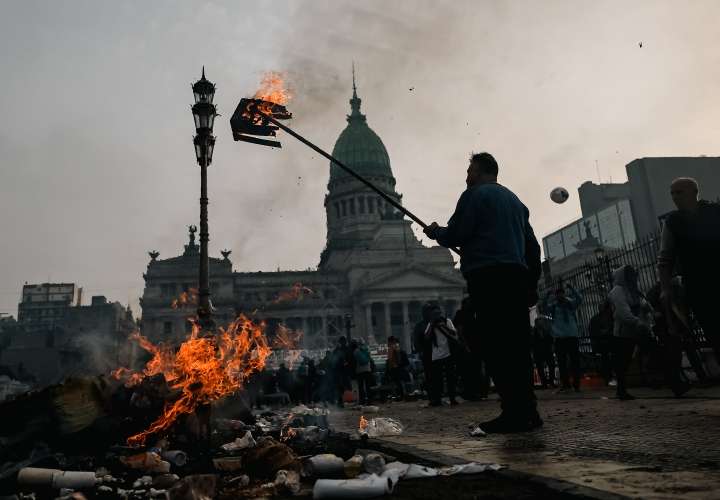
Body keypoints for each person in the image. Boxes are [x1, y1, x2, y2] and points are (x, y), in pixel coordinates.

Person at [424, 152, 542, 433]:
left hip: (488, 279)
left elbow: (457, 234)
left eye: (469, 171)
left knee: (496, 346)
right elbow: (533, 248)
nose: (466, 177)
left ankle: (513, 413)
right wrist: (531, 285)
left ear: (481, 171)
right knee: (518, 347)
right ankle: (529, 411)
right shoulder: (516, 202)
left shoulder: (474, 196)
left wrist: (436, 232)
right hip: (515, 278)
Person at [658, 177, 720, 363]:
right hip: (698, 286)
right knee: (714, 333)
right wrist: (665, 289)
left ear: (694, 192)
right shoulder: (672, 222)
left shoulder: (714, 211)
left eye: (679, 192)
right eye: (672, 193)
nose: (675, 197)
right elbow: (664, 258)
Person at [608, 265, 653, 400]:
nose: (634, 277)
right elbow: (623, 313)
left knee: (651, 351)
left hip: (637, 330)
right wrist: (637, 322)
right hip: (623, 333)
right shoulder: (617, 291)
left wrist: (646, 311)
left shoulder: (633, 290)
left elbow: (644, 304)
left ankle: (673, 382)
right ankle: (621, 390)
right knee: (623, 363)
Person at [545, 284, 583, 392]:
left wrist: (572, 288)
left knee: (575, 362)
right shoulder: (553, 307)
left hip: (571, 336)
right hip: (560, 338)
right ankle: (566, 384)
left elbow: (580, 299)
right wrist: (547, 295)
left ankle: (576, 384)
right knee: (562, 363)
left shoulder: (570, 303)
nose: (560, 296)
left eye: (562, 293)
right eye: (558, 294)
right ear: (556, 296)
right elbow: (544, 307)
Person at [424, 304, 460, 406]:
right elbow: (426, 337)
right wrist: (432, 324)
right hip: (436, 355)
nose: (437, 315)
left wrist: (443, 326)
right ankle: (438, 399)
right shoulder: (430, 324)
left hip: (448, 353)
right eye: (434, 314)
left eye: (438, 313)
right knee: (437, 379)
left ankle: (452, 398)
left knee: (450, 378)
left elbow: (454, 333)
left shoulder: (446, 321)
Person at [453, 298, 489, 399]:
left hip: (477, 345)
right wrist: (465, 345)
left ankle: (478, 391)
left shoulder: (475, 314)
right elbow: (459, 331)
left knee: (477, 369)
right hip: (467, 346)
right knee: (468, 370)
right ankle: (470, 392)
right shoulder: (461, 314)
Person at [589, 301, 615, 386]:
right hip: (605, 343)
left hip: (603, 343)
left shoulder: (596, 318)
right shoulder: (609, 318)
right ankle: (608, 377)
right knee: (607, 360)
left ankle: (608, 377)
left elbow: (592, 331)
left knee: (606, 361)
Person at [532, 313, 556, 389]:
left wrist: (552, 347)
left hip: (547, 350)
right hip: (538, 351)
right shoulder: (534, 331)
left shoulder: (547, 331)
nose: (541, 322)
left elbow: (551, 340)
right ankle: (544, 383)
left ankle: (551, 381)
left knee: (551, 365)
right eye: (540, 321)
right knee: (540, 368)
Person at [354, 340, 374, 405]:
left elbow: (354, 360)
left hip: (359, 371)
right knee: (368, 386)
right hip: (368, 370)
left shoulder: (356, 351)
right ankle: (370, 400)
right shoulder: (367, 350)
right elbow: (370, 359)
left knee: (361, 387)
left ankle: (362, 401)